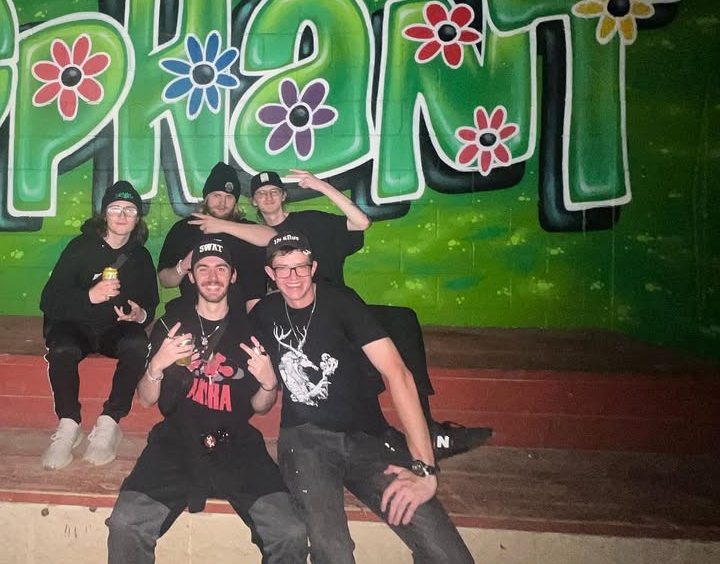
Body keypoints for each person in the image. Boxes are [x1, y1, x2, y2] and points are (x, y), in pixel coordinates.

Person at [250, 232, 475, 564]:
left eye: (300, 266)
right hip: (306, 442)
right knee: (333, 556)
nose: (293, 277)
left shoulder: (341, 302)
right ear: (270, 274)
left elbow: (398, 374)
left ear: (314, 267)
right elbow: (222, 350)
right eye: (282, 269)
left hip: (370, 439)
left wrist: (424, 467)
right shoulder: (264, 314)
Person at [107, 238, 309, 564]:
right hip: (176, 440)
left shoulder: (254, 329)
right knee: (126, 524)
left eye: (220, 268)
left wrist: (269, 384)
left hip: (235, 442)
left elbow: (260, 407)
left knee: (289, 531)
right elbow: (146, 399)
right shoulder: (170, 324)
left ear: (233, 276)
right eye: (203, 268)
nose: (212, 276)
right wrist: (157, 365)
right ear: (192, 277)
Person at [249, 168, 492, 460]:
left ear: (284, 195)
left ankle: (426, 426)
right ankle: (379, 436)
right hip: (305, 324)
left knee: (402, 320)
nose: (268, 197)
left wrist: (320, 185)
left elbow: (361, 222)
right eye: (261, 193)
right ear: (253, 201)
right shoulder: (256, 240)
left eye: (274, 191)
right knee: (351, 360)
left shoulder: (311, 220)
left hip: (341, 309)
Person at [38, 180, 160, 469]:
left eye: (130, 210)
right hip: (75, 325)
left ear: (138, 218)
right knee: (62, 349)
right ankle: (69, 424)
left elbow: (150, 306)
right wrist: (89, 297)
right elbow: (49, 300)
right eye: (115, 208)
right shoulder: (80, 248)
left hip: (112, 329)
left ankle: (110, 422)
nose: (122, 215)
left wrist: (139, 315)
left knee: (137, 344)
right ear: (104, 213)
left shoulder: (141, 256)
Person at [157, 161, 275, 312]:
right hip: (193, 315)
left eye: (229, 197)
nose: (222, 203)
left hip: (241, 316)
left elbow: (272, 237)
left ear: (235, 201)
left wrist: (222, 225)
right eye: (217, 195)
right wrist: (183, 266)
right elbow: (165, 281)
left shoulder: (246, 229)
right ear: (206, 197)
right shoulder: (184, 228)